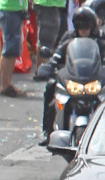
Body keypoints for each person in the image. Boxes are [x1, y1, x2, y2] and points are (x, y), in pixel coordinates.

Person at [41, 8, 105, 143]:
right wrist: (49, 66)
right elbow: (56, 56)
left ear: (92, 25)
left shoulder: (100, 41)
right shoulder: (68, 39)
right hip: (72, 79)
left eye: (86, 25)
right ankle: (48, 131)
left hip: (94, 80)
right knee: (51, 85)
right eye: (80, 25)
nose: (83, 29)